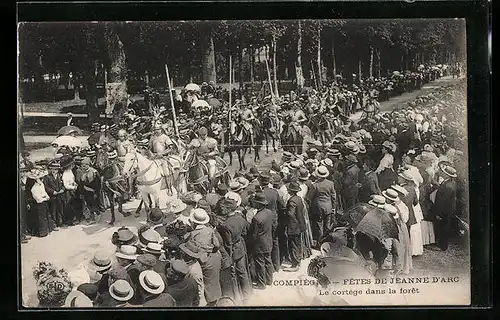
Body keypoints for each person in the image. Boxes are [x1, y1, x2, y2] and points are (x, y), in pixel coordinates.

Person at [185, 208, 222, 306]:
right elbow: (217, 245)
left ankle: (209, 303)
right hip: (215, 257)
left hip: (203, 259)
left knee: (206, 282)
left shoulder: (193, 234)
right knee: (214, 280)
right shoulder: (210, 230)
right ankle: (216, 300)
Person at [217, 198, 252, 302]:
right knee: (243, 271)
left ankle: (236, 297)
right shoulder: (240, 217)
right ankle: (247, 294)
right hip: (241, 246)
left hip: (233, 251)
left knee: (233, 274)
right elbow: (245, 231)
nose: (221, 210)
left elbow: (228, 244)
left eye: (223, 208)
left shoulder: (226, 225)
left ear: (228, 209)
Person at [430, 163, 458, 251]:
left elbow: (442, 201)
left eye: (443, 172)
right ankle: (442, 244)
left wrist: (439, 213)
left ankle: (442, 246)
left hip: (444, 211)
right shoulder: (449, 183)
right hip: (448, 210)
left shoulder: (447, 186)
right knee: (444, 226)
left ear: (447, 174)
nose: (442, 173)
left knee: (443, 227)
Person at [249, 193, 274, 289]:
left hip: (260, 244)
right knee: (268, 261)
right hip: (268, 240)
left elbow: (253, 234)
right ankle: (269, 279)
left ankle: (261, 283)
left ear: (258, 204)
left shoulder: (256, 218)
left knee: (260, 263)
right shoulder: (269, 212)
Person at [258, 172, 281, 273]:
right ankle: (276, 265)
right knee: (275, 242)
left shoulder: (260, 193)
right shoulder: (274, 192)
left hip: (264, 219)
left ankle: (269, 267)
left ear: (261, 181)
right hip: (274, 219)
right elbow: (280, 205)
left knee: (266, 242)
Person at [309, 166, 337, 247]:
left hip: (318, 207)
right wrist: (333, 208)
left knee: (319, 225)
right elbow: (333, 197)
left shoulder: (315, 185)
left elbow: (310, 197)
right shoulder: (331, 183)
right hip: (328, 206)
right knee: (327, 225)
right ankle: (327, 241)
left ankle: (320, 242)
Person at [283, 181, 306, 272]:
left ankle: (295, 263)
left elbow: (290, 214)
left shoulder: (292, 200)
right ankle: (298, 260)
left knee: (293, 244)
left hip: (293, 225)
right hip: (300, 224)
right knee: (298, 243)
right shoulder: (299, 199)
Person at [190, 127, 220, 191]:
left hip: (209, 159)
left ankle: (211, 188)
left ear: (207, 134)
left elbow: (216, 151)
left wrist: (208, 154)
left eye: (204, 134)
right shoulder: (195, 141)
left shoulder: (212, 141)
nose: (203, 136)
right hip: (199, 159)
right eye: (201, 135)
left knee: (211, 174)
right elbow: (189, 148)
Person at [179, 240, 206, 306]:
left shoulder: (194, 272)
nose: (180, 252)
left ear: (188, 256)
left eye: (183, 252)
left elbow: (199, 291)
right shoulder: (191, 262)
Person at [43, 160, 64, 230]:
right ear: (51, 169)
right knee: (53, 211)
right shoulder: (47, 177)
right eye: (54, 169)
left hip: (59, 195)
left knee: (59, 209)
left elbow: (61, 185)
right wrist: (52, 192)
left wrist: (62, 189)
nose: (56, 171)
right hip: (52, 197)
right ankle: (53, 225)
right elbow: (45, 187)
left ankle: (60, 223)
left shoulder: (58, 176)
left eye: (57, 169)